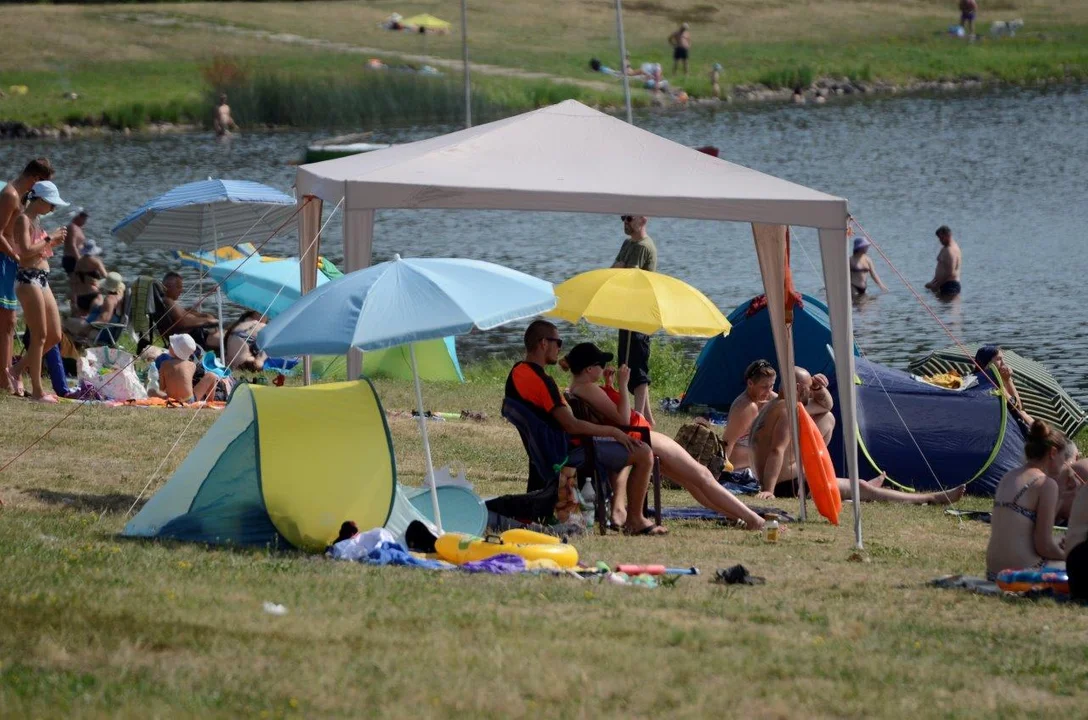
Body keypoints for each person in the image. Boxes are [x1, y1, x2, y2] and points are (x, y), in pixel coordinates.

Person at [564, 342, 765, 530]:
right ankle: (754, 520)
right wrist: (624, 385)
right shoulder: (587, 388)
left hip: (638, 435)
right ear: (589, 369)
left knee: (691, 481)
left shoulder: (581, 388)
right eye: (601, 364)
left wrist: (609, 385)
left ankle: (737, 516)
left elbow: (606, 412)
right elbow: (623, 419)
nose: (605, 366)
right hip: (641, 436)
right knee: (702, 475)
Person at [505, 321, 665, 536]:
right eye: (557, 342)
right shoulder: (541, 380)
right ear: (543, 343)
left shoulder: (519, 372)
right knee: (643, 452)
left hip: (553, 448)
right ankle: (635, 519)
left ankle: (619, 510)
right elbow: (571, 424)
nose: (560, 348)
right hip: (569, 451)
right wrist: (614, 432)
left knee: (628, 448)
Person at [751, 366, 966, 504]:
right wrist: (769, 490)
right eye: (808, 388)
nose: (811, 391)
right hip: (784, 485)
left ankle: (851, 486)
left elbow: (826, 406)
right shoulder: (789, 410)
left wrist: (818, 389)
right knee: (861, 487)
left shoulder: (778, 404)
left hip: (787, 475)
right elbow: (776, 450)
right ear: (798, 387)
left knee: (828, 419)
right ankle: (930, 498)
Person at [985, 419, 1072, 579]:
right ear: (1053, 453)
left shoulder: (1008, 476)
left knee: (1060, 540)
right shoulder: (1045, 484)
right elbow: (1044, 546)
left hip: (994, 572)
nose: (1065, 462)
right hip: (1023, 572)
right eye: (1064, 456)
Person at [8, 181, 68, 402]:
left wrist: (52, 243)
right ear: (40, 200)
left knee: (54, 335)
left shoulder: (37, 220)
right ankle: (37, 391)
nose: (53, 209)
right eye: (51, 204)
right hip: (28, 279)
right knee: (40, 336)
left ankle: (16, 370)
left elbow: (37, 251)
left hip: (42, 278)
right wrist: (49, 238)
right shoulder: (23, 219)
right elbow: (24, 253)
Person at [0, 158, 54, 394]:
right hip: (5, 260)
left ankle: (8, 375)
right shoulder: (11, 194)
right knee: (7, 321)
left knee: (10, 322)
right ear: (35, 179)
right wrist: (15, 254)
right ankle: (5, 378)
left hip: (12, 262)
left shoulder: (20, 198)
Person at [612, 214, 658, 427]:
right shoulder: (628, 243)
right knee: (626, 362)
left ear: (643, 219)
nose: (625, 222)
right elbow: (615, 270)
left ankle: (638, 418)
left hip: (638, 313)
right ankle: (647, 417)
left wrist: (619, 268)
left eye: (629, 218)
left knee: (637, 368)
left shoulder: (642, 247)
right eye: (623, 218)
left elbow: (625, 275)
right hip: (627, 312)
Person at [723, 359, 778, 471]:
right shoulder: (747, 407)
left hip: (749, 450)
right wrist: (720, 470)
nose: (768, 391)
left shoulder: (768, 396)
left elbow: (796, 408)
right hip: (736, 455)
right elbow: (727, 442)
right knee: (780, 451)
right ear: (750, 383)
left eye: (771, 386)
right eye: (764, 387)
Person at [158, 333, 230, 403]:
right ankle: (210, 401)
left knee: (153, 391)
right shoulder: (192, 365)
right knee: (212, 376)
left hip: (171, 399)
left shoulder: (164, 364)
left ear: (174, 350)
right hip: (189, 400)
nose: (169, 346)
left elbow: (162, 388)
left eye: (171, 345)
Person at [161, 271, 219, 349]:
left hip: (196, 334)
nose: (181, 290)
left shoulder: (168, 302)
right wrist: (206, 321)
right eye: (178, 287)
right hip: (195, 338)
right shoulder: (168, 301)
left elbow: (182, 315)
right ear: (167, 287)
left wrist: (200, 315)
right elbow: (182, 323)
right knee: (230, 336)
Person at [924, 225, 961, 297]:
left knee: (947, 307)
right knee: (943, 307)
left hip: (950, 286)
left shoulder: (950, 250)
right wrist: (932, 282)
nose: (940, 240)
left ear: (948, 235)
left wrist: (936, 285)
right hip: (944, 284)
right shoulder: (946, 248)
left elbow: (951, 272)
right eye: (939, 238)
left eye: (942, 238)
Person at [69, 253, 108, 318]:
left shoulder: (79, 262)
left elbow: (73, 281)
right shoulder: (96, 261)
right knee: (93, 319)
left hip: (80, 296)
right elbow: (106, 276)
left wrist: (73, 302)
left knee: (81, 319)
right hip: (94, 295)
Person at [62, 208, 88, 275]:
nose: (85, 220)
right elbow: (72, 245)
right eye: (84, 218)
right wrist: (79, 260)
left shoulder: (78, 228)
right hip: (72, 259)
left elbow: (80, 243)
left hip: (76, 258)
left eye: (85, 218)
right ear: (78, 217)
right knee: (77, 282)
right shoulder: (72, 227)